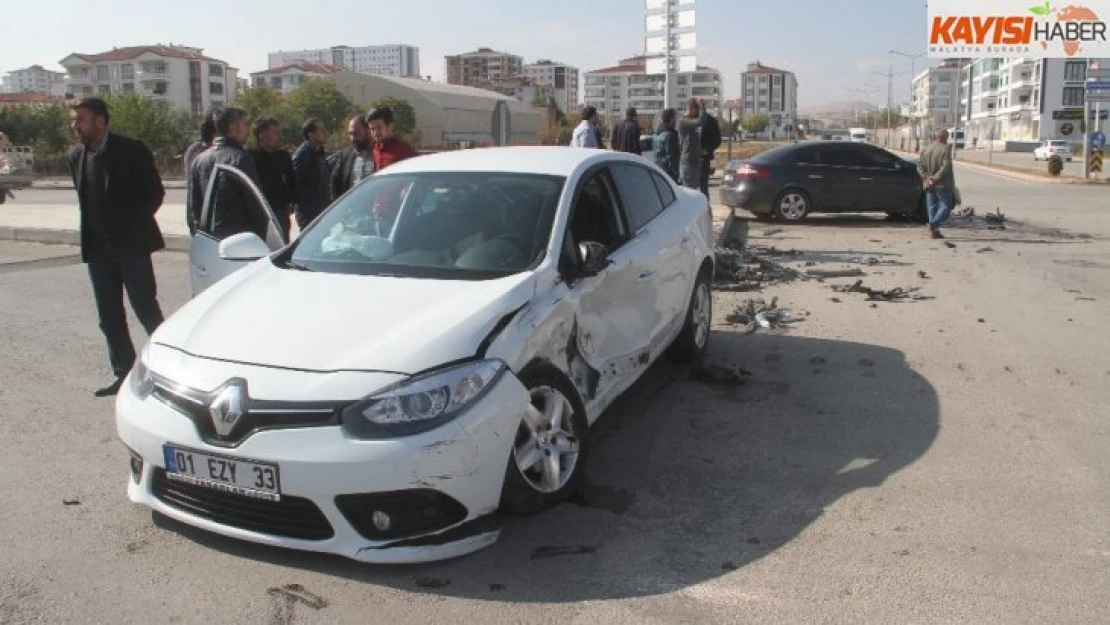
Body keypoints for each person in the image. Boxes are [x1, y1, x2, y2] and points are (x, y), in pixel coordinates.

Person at [65, 98, 166, 397]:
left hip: (131, 247)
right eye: (74, 120)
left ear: (100, 121)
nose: (75, 126)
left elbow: (155, 193)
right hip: (98, 250)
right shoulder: (76, 156)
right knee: (108, 315)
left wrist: (131, 226)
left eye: (80, 120)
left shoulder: (131, 149)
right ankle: (123, 372)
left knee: (146, 309)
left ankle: (168, 367)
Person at [189, 108, 268, 240]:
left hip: (208, 240)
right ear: (233, 128)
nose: (247, 130)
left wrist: (200, 236)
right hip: (238, 241)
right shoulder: (240, 158)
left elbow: (193, 208)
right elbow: (255, 206)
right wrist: (260, 239)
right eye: (244, 125)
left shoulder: (199, 160)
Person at [367, 106, 418, 236]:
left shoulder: (405, 152)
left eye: (379, 128)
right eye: (372, 129)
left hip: (397, 218)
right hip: (372, 217)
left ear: (390, 126)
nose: (375, 133)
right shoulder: (371, 152)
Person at [248, 117, 297, 239]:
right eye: (276, 132)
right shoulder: (250, 158)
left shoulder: (283, 157)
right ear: (262, 135)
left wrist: (289, 200)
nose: (280, 137)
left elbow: (293, 183)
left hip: (279, 212)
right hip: (258, 213)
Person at [292, 118, 330, 229]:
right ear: (311, 135)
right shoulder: (304, 154)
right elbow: (294, 181)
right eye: (321, 130)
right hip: (309, 214)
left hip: (322, 211)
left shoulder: (318, 151)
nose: (325, 132)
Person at [917, 128, 956, 239]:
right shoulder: (946, 149)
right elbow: (946, 166)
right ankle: (933, 224)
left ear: (935, 137)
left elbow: (919, 166)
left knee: (932, 207)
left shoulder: (926, 149)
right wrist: (935, 178)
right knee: (945, 206)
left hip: (928, 183)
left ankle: (934, 232)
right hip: (942, 183)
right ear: (945, 138)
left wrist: (926, 177)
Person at [183, 118, 216, 234]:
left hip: (195, 212)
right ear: (215, 134)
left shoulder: (193, 150)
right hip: (206, 216)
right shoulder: (210, 154)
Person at [331, 115, 374, 200]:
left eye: (356, 133)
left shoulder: (380, 154)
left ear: (368, 131)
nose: (352, 138)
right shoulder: (345, 154)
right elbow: (334, 182)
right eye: (350, 134)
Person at [678, 98, 709, 189]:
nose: (698, 113)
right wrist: (702, 105)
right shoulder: (684, 121)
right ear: (693, 109)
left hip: (694, 164)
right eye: (698, 110)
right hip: (688, 164)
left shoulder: (690, 122)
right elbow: (701, 121)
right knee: (690, 194)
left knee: (694, 192)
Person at [698, 109, 722, 197]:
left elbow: (717, 140)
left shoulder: (710, 121)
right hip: (697, 158)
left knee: (702, 186)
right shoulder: (689, 120)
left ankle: (704, 207)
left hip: (703, 158)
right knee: (702, 186)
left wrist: (708, 149)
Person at [653, 108, 681, 181]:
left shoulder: (656, 134)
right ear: (671, 119)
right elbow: (671, 157)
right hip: (669, 173)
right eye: (674, 118)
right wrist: (677, 173)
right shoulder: (670, 135)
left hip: (659, 171)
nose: (675, 121)